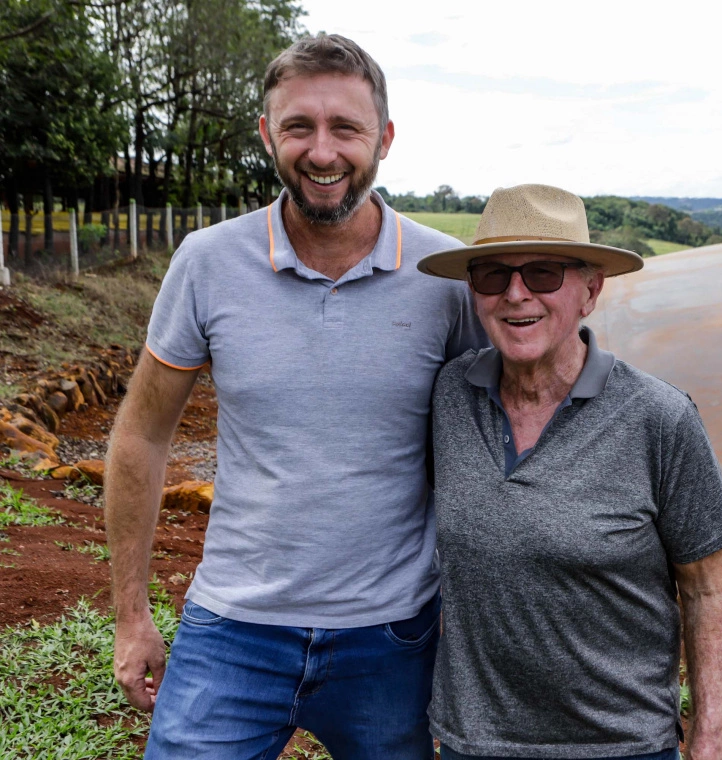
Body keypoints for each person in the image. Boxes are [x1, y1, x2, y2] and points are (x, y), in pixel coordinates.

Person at [105, 34, 485, 759]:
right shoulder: (208, 263)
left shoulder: (447, 278)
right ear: (266, 135)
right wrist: (131, 616)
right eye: (298, 127)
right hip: (234, 629)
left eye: (346, 127)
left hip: (395, 638)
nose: (322, 151)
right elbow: (142, 435)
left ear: (386, 138)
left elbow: (494, 442)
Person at [418, 184, 722, 760]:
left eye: (543, 274)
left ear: (590, 291)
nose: (516, 294)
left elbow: (711, 587)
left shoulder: (658, 418)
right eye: (492, 275)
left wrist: (710, 739)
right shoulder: (449, 395)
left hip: (621, 746)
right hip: (476, 745)